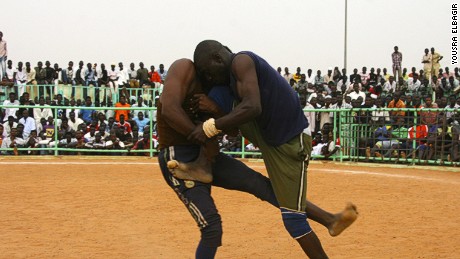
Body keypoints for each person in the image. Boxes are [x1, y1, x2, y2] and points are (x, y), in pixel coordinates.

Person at [157, 54, 357, 258]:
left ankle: (329, 220)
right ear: (210, 68)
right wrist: (204, 137)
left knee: (261, 184)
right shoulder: (184, 68)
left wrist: (215, 112)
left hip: (205, 154)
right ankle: (328, 221)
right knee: (212, 228)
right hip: (178, 158)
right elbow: (169, 109)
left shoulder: (219, 89)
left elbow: (233, 130)